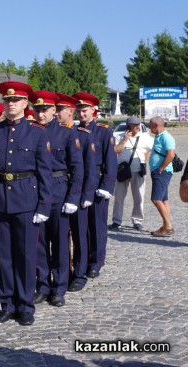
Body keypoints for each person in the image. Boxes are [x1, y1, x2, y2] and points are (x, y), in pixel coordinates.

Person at [0, 81, 52, 326]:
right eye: (7, 100)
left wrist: (43, 205)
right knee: (3, 257)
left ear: (24, 104)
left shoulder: (36, 133)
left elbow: (44, 173)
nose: (10, 104)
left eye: (15, 101)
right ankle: (7, 303)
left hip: (26, 201)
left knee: (25, 256)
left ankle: (25, 305)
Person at [31, 91, 83, 308]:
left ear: (54, 110)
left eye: (45, 110)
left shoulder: (67, 134)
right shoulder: (30, 132)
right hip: (34, 193)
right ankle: (42, 285)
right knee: (39, 243)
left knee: (60, 242)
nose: (41, 114)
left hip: (58, 191)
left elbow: (77, 167)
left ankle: (59, 287)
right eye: (37, 110)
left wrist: (73, 197)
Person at [73, 92, 116, 279]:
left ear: (93, 111)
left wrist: (107, 185)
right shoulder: (73, 132)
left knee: (97, 224)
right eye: (79, 111)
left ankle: (96, 262)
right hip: (80, 183)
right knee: (81, 225)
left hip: (98, 181)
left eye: (85, 111)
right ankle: (82, 260)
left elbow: (110, 160)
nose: (81, 114)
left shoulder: (103, 132)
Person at [59, 93, 97, 293]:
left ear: (69, 112)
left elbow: (90, 169)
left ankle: (80, 273)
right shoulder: (53, 133)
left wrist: (88, 195)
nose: (56, 113)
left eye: (60, 109)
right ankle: (63, 272)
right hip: (58, 194)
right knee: (60, 237)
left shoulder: (83, 134)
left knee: (80, 236)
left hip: (79, 194)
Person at [109, 116, 153, 231]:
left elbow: (152, 149)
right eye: (135, 124)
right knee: (118, 197)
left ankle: (137, 221)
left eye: (139, 124)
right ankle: (116, 221)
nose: (137, 126)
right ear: (129, 125)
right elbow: (115, 151)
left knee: (139, 197)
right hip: (122, 171)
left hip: (138, 171)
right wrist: (124, 140)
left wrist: (144, 159)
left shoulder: (145, 137)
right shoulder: (118, 136)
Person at [147, 116, 175, 237]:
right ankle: (167, 225)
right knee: (163, 199)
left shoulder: (166, 137)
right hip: (159, 172)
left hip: (162, 172)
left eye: (150, 125)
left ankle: (167, 226)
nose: (149, 128)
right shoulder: (159, 137)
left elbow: (171, 154)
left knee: (156, 199)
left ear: (156, 126)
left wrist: (161, 167)